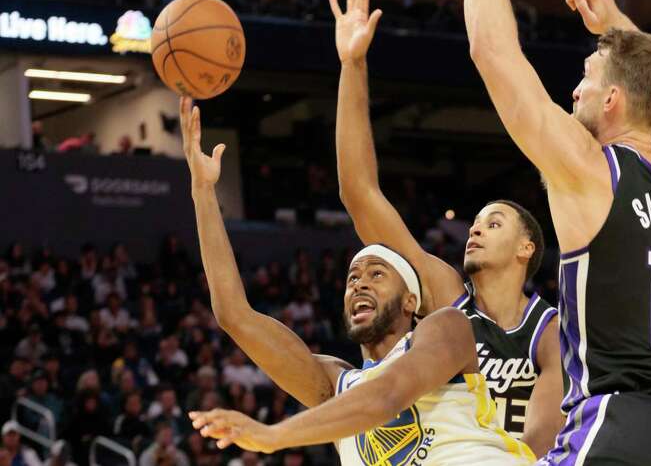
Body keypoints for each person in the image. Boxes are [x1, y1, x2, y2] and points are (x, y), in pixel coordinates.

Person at [464, 0, 651, 464]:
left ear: (612, 99)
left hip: (615, 426)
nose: (574, 90)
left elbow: (491, 51)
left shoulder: (590, 170)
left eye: (585, 77)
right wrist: (615, 26)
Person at [179, 97, 535, 464]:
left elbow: (389, 396)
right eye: (352, 278)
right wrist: (203, 193)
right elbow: (233, 314)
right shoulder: (337, 387)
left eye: (377, 274)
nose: (359, 284)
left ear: (410, 301)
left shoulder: (449, 327)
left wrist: (275, 435)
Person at [331, 0, 562, 454]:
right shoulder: (447, 299)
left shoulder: (549, 329)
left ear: (527, 248)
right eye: (475, 223)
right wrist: (352, 64)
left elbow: (545, 434)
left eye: (493, 223)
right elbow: (361, 196)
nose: (475, 229)